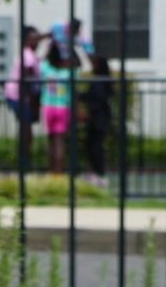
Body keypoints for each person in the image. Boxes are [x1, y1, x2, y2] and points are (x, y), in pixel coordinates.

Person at [38, 35, 76, 174]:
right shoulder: (68, 73)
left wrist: (49, 48)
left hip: (48, 106)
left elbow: (40, 61)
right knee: (60, 141)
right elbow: (78, 64)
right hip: (62, 107)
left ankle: (52, 171)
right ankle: (59, 172)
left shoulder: (45, 69)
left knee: (51, 141)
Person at [6, 25, 42, 170]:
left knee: (26, 129)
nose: (37, 41)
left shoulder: (29, 54)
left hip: (21, 96)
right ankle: (24, 162)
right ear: (27, 40)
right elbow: (27, 75)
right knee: (26, 130)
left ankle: (26, 160)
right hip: (20, 96)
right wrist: (32, 98)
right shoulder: (27, 54)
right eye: (34, 38)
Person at [81, 51, 117, 184]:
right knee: (92, 146)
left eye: (94, 64)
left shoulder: (99, 82)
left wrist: (89, 113)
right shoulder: (99, 80)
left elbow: (97, 99)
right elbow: (90, 95)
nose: (92, 66)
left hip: (99, 119)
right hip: (99, 118)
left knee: (95, 147)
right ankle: (96, 172)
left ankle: (99, 174)